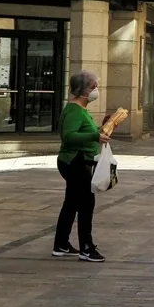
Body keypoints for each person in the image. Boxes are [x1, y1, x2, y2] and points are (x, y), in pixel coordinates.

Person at [53, 70, 111, 263]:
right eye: (94, 87)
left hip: (77, 160)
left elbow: (87, 133)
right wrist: (95, 136)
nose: (96, 90)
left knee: (71, 202)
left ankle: (61, 243)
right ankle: (86, 247)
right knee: (86, 203)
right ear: (85, 90)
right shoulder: (74, 111)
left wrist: (103, 128)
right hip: (74, 161)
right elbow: (69, 136)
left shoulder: (80, 111)